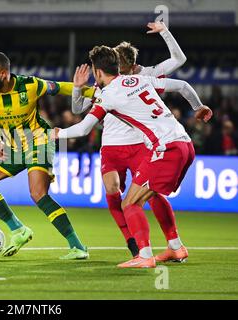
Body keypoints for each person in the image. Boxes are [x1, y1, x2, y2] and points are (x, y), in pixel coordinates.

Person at [52, 46, 212, 268]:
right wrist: (198, 107)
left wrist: (58, 133)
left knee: (130, 203)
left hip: (165, 149)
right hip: (184, 144)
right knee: (148, 196)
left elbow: (82, 130)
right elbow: (183, 86)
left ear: (97, 73)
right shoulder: (141, 80)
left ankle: (144, 256)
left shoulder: (107, 96)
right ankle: (175, 248)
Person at [71, 21, 189, 259]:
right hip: (111, 147)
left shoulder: (143, 76)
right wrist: (77, 89)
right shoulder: (102, 83)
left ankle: (172, 244)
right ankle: (134, 245)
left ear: (132, 66)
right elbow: (78, 109)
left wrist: (165, 32)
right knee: (113, 193)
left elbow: (179, 61)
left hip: (141, 146)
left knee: (152, 194)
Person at [0, 52, 95, 260]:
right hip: (12, 146)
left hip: (39, 142)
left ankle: (77, 246)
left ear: (4, 73)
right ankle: (18, 230)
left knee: (38, 194)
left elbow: (60, 87)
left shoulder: (30, 85)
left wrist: (88, 90)